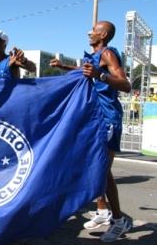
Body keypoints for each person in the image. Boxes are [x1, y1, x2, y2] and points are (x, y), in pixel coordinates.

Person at [50, 21, 132, 242]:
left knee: (103, 170)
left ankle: (118, 221)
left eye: (94, 30)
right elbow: (85, 70)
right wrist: (64, 67)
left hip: (108, 118)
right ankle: (103, 211)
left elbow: (126, 84)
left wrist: (101, 76)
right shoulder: (95, 55)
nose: (90, 32)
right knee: (92, 165)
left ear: (103, 34)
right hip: (94, 117)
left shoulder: (108, 54)